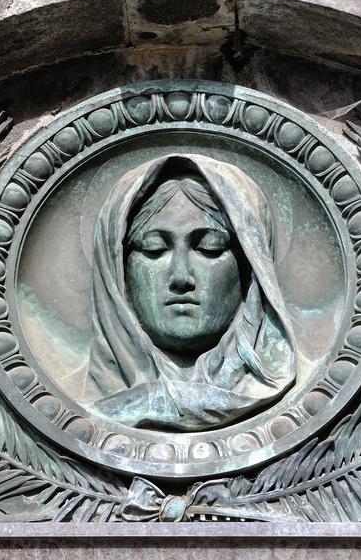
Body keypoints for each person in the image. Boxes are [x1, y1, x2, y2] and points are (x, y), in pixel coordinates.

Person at [84, 154, 296, 430]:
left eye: (210, 247)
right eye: (154, 249)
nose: (181, 277)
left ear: (250, 268)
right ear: (116, 273)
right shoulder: (81, 414)